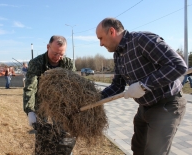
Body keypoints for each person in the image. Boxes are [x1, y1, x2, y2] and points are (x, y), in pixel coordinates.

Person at [96, 18, 187, 155]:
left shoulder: (142, 40)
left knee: (154, 152)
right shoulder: (118, 55)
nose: (100, 44)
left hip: (166, 105)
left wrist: (144, 85)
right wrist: (95, 98)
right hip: (144, 108)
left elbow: (177, 66)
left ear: (112, 31)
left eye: (101, 38)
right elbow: (117, 86)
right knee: (138, 149)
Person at [23, 35, 76, 155]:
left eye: (61, 54)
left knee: (64, 140)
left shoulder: (68, 64)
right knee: (44, 140)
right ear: (48, 47)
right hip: (42, 105)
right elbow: (30, 87)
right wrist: (30, 110)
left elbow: (73, 88)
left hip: (62, 107)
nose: (58, 57)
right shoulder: (37, 63)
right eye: (55, 53)